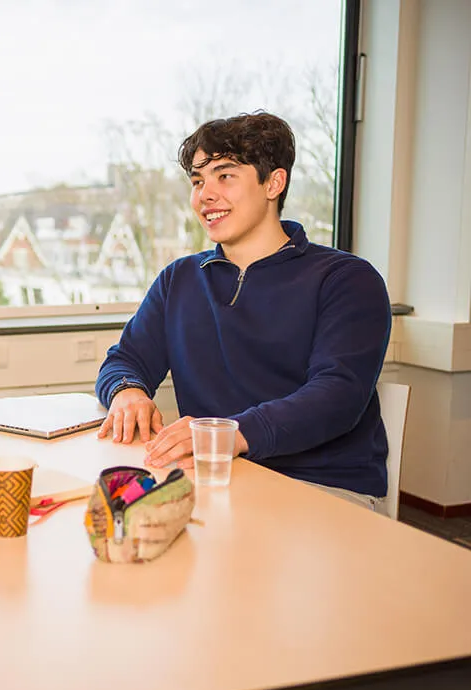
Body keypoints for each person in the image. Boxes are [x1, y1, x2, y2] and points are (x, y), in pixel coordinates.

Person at [95, 112, 392, 514]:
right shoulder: (179, 279)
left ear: (274, 182)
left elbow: (338, 394)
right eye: (198, 181)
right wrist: (127, 390)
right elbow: (125, 360)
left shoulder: (346, 279)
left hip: (323, 487)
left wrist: (233, 433)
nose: (205, 195)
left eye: (225, 175)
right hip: (215, 479)